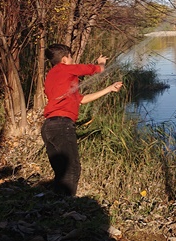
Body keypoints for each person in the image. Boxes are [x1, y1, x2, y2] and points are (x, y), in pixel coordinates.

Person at [41, 44, 123, 196]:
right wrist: (101, 62)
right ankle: (67, 207)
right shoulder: (65, 68)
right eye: (71, 57)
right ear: (65, 59)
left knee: (61, 172)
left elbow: (81, 99)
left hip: (48, 127)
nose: (72, 60)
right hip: (62, 125)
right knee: (72, 169)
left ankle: (57, 207)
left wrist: (109, 89)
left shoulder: (52, 76)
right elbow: (98, 70)